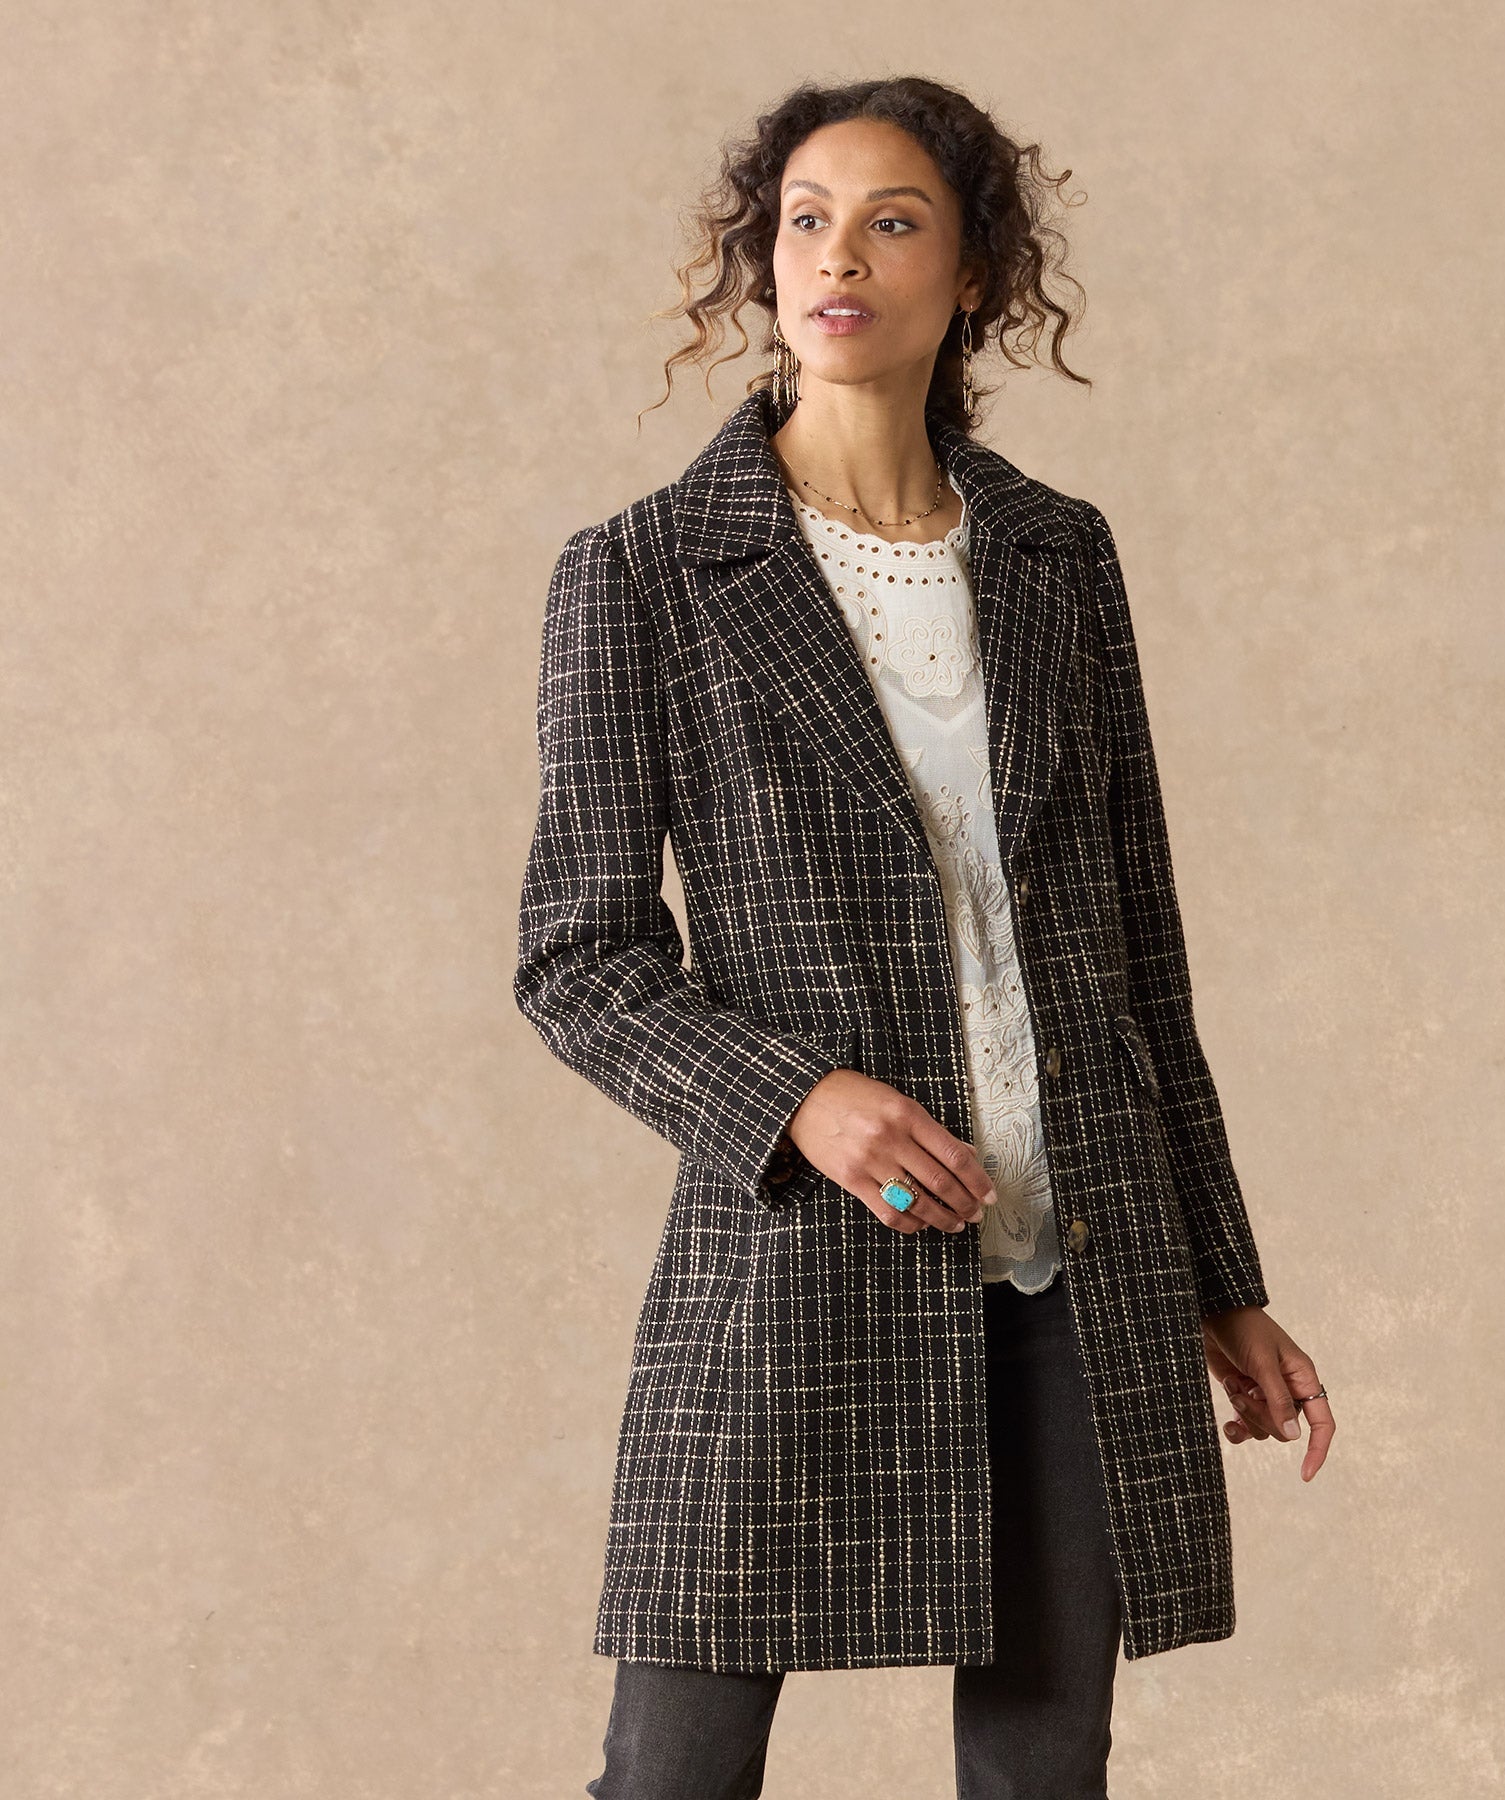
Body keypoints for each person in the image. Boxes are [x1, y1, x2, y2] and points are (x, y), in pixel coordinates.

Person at [513, 75, 1336, 1800]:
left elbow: (1140, 954)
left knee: (1044, 1779)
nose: (840, 255)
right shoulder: (646, 573)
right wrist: (802, 1099)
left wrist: (1220, 1278)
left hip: (1069, 1264)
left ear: (969, 276)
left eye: (893, 223)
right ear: (764, 261)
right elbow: (579, 958)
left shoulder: (1057, 558)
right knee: (670, 1779)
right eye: (806, 220)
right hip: (793, 1261)